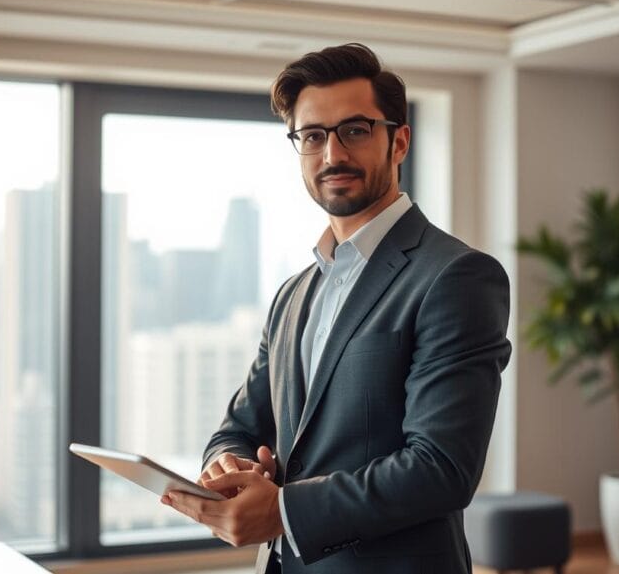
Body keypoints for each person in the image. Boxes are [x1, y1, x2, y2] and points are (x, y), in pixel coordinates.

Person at [162, 43, 512, 574]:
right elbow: (238, 426)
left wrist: (280, 510)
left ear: (399, 141)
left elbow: (442, 468)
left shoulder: (455, 276)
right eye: (313, 136)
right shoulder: (293, 293)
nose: (332, 155)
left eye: (354, 130)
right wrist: (225, 467)